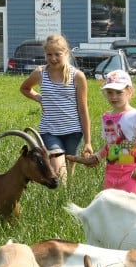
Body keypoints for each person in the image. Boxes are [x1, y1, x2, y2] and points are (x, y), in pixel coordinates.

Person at [68, 69, 136, 198]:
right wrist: (98, 157)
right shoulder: (107, 118)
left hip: (132, 173)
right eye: (110, 92)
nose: (113, 96)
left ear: (130, 91)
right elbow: (111, 145)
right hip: (111, 173)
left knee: (132, 211)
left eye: (119, 92)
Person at [19, 34, 92, 183]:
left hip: (73, 131)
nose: (53, 58)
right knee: (58, 170)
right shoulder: (40, 73)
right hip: (50, 130)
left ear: (66, 53)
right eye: (49, 54)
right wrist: (38, 97)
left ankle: (65, 200)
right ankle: (59, 195)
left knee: (69, 172)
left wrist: (88, 142)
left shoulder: (77, 76)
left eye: (57, 54)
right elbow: (25, 88)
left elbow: (83, 109)